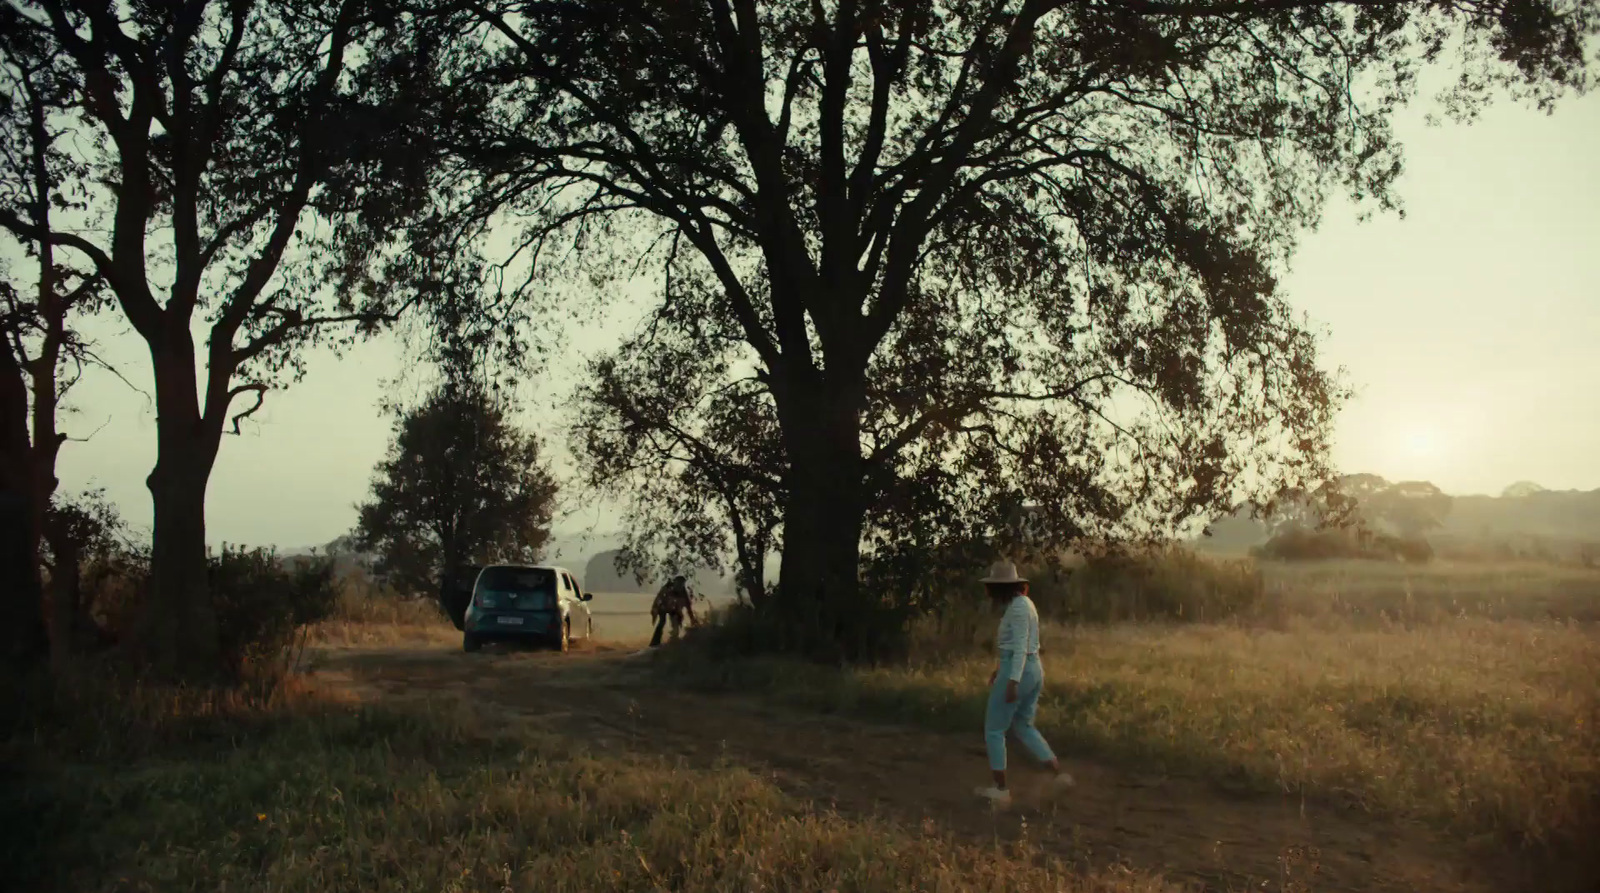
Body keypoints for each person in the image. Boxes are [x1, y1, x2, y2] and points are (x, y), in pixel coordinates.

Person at [974, 560, 1075, 806]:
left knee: (994, 729)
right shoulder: (1025, 604)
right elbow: (1020, 644)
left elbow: (1019, 647)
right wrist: (1000, 670)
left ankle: (1000, 790)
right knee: (1023, 724)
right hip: (1033, 668)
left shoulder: (1017, 609)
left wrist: (1012, 681)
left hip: (1019, 670)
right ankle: (1058, 774)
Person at [649, 574, 697, 647]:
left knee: (676, 627)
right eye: (678, 584)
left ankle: (673, 642)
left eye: (681, 584)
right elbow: (658, 599)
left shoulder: (684, 593)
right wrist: (654, 609)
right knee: (662, 622)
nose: (679, 586)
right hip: (663, 607)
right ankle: (655, 642)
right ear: (674, 582)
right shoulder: (666, 588)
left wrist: (692, 619)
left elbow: (689, 608)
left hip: (674, 609)